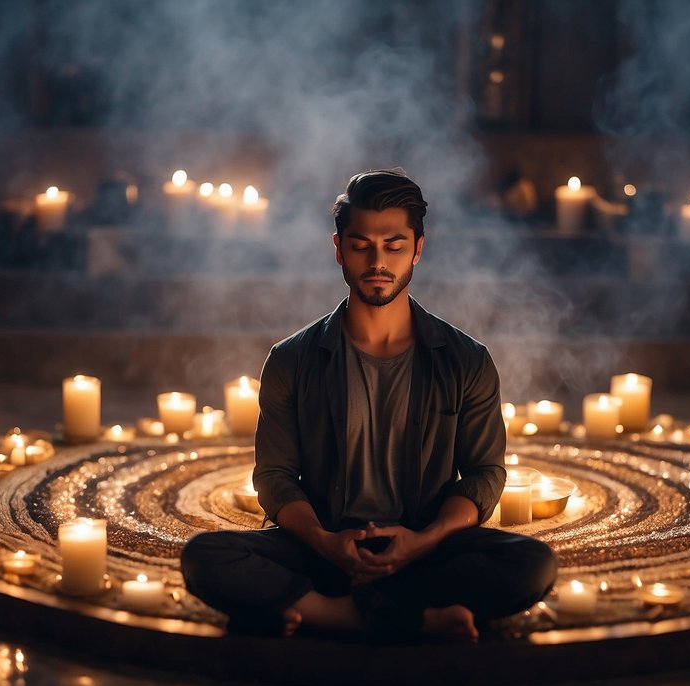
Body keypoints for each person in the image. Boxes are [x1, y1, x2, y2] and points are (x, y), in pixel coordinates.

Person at [181, 168, 555, 641]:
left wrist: (422, 542)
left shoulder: (467, 360)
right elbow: (274, 476)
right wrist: (325, 541)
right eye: (361, 245)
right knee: (205, 556)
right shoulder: (291, 359)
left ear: (418, 248)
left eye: (394, 245)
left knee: (532, 564)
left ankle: (319, 612)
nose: (377, 260)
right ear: (338, 249)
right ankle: (412, 620)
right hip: (324, 545)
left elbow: (485, 474)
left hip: (423, 548)